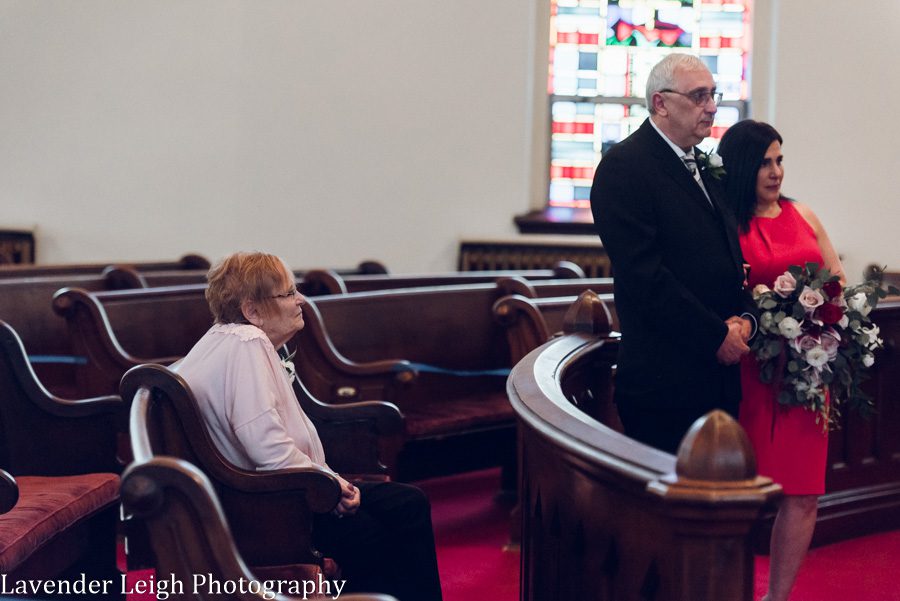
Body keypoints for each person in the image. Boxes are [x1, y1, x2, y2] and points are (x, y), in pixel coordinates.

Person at [175, 251, 443, 601]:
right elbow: (268, 450)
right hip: (273, 509)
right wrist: (330, 486)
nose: (300, 299)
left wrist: (331, 480)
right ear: (252, 311)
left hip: (272, 494)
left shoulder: (221, 340)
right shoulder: (248, 343)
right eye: (287, 293)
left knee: (407, 502)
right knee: (379, 527)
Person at [590, 53, 756, 454]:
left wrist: (746, 318)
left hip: (718, 375)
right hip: (666, 383)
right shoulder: (624, 168)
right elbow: (646, 277)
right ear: (660, 103)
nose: (712, 107)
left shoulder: (700, 164)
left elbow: (727, 258)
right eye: (699, 96)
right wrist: (717, 335)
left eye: (713, 95)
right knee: (672, 512)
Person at [718, 120, 845, 601]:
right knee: (742, 494)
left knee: (804, 493)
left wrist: (825, 316)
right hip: (749, 370)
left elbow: (836, 277)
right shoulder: (725, 223)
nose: (776, 172)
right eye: (765, 162)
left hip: (807, 369)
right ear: (743, 167)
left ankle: (777, 597)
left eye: (780, 160)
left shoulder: (804, 215)